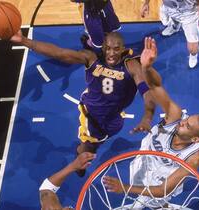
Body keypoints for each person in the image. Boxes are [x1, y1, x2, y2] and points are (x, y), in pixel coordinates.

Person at [10, 31, 155, 176]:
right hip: (91, 116)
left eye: (116, 49)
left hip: (114, 117)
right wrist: (24, 40)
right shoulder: (91, 58)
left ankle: (94, 143)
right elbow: (59, 53)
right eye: (108, 48)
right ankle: (80, 161)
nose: (111, 53)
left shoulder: (131, 66)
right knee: (88, 148)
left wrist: (147, 117)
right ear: (102, 47)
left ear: (123, 49)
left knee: (99, 139)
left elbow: (147, 92)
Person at [102, 37, 199, 208]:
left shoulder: (193, 159)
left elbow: (163, 189)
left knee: (152, 202)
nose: (183, 122)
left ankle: (160, 206)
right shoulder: (175, 116)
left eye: (188, 126)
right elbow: (155, 86)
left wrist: (125, 188)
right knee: (142, 200)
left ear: (195, 139)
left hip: (163, 182)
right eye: (187, 119)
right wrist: (146, 67)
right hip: (142, 163)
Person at [141, 0, 199, 68]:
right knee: (165, 22)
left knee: (193, 49)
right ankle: (175, 27)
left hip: (188, 14)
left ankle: (193, 55)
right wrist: (146, 3)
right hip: (168, 8)